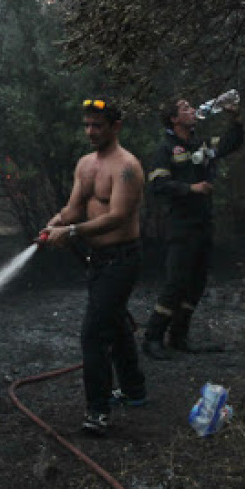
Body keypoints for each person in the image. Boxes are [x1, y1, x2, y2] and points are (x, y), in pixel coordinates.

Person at [41, 97, 146, 436]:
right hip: (98, 260)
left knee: (93, 334)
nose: (90, 131)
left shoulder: (127, 167)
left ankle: (97, 412)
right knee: (114, 323)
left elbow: (117, 217)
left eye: (97, 126)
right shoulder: (85, 165)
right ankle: (134, 391)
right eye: (86, 125)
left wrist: (70, 232)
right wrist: (53, 224)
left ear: (116, 127)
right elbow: (74, 208)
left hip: (122, 259)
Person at [142, 94, 244, 360]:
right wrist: (191, 188)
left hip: (203, 222)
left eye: (190, 107)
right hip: (181, 225)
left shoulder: (201, 144)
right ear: (174, 119)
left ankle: (179, 336)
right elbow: (157, 185)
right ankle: (152, 337)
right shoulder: (166, 150)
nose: (192, 109)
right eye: (185, 108)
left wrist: (234, 117)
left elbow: (231, 144)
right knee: (176, 282)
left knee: (196, 283)